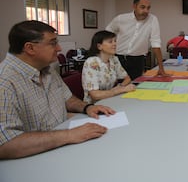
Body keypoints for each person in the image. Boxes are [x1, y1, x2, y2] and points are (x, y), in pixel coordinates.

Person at [0, 21, 115, 159]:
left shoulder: (47, 68)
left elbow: (67, 98)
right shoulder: (5, 82)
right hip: (34, 158)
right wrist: (69, 135)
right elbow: (5, 144)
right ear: (30, 48)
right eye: (53, 43)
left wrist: (87, 107)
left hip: (61, 145)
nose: (59, 48)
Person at [106, 0, 168, 80]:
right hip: (118, 58)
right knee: (116, 85)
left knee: (135, 86)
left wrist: (161, 68)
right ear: (134, 6)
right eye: (142, 7)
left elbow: (156, 43)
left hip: (137, 60)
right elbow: (106, 34)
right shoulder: (121, 19)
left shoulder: (152, 20)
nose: (146, 11)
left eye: (148, 8)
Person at [82, 30, 136, 103]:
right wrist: (119, 90)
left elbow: (127, 78)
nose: (115, 44)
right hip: (94, 105)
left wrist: (120, 87)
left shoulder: (114, 59)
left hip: (110, 99)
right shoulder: (92, 63)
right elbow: (95, 95)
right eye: (110, 42)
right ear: (99, 46)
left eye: (115, 41)